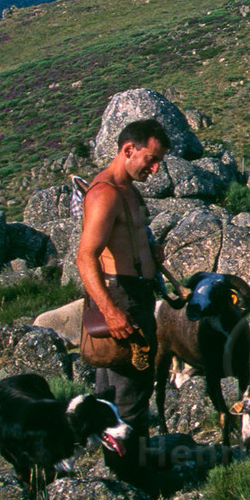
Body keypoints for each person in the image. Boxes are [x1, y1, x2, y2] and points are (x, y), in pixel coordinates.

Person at [76, 118, 171, 469]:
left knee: (127, 388)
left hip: (138, 294)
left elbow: (127, 237)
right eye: (151, 159)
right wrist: (110, 311)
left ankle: (128, 468)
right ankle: (133, 476)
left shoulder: (129, 189)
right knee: (128, 393)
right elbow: (85, 257)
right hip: (121, 298)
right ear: (129, 149)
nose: (155, 169)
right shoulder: (104, 193)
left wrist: (150, 250)